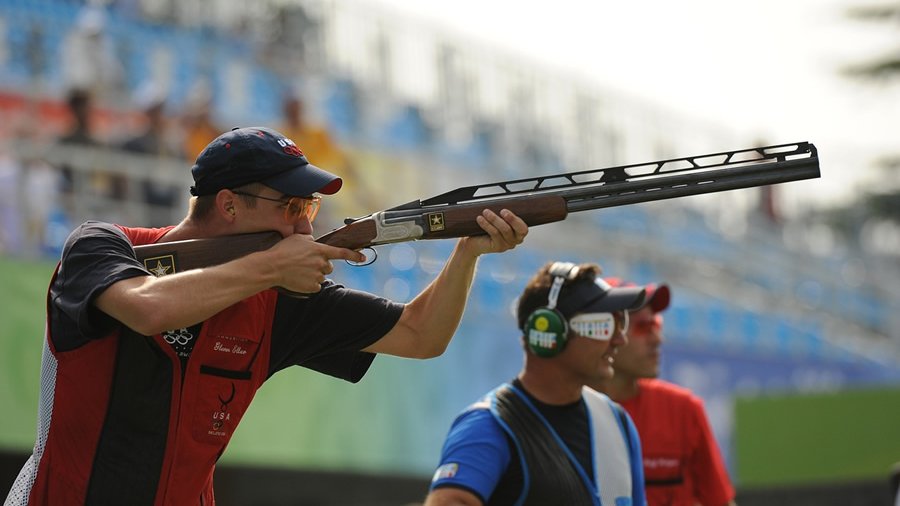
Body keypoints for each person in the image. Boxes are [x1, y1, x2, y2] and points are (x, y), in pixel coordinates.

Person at [5, 126, 528, 505]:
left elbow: (421, 335)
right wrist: (270, 266)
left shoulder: (277, 298)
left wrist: (467, 253)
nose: (304, 228)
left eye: (310, 211)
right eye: (291, 208)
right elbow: (146, 307)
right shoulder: (99, 246)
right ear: (230, 205)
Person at [426, 261, 647, 506]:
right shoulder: (488, 425)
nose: (620, 339)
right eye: (604, 326)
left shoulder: (617, 422)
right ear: (551, 332)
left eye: (621, 323)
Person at [590, 279, 737, 506]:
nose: (658, 339)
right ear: (603, 333)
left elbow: (720, 501)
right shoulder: (569, 411)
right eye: (643, 327)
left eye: (656, 325)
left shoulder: (684, 409)